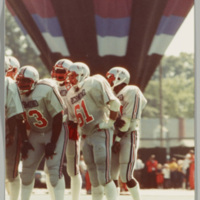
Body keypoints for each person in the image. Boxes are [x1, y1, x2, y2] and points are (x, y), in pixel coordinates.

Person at [66, 62, 121, 200]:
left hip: (99, 131)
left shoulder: (94, 81)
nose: (70, 79)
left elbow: (114, 103)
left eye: (73, 75)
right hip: (86, 134)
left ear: (82, 74)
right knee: (93, 177)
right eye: (69, 76)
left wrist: (110, 123)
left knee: (104, 174)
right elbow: (73, 119)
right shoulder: (70, 93)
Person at [15, 65, 67, 200]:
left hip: (55, 131)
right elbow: (19, 119)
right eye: (20, 80)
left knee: (54, 171)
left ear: (34, 81)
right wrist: (25, 140)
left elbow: (58, 116)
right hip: (35, 133)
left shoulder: (45, 89)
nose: (22, 84)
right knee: (26, 172)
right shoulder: (16, 93)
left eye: (26, 81)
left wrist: (53, 142)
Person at [106, 66, 147, 200]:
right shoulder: (111, 95)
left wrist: (117, 140)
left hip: (128, 135)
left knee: (126, 176)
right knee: (111, 176)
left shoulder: (131, 90)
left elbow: (126, 123)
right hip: (113, 137)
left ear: (120, 78)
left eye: (111, 78)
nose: (109, 81)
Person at [49, 59, 84, 200]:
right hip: (53, 128)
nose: (58, 74)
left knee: (73, 168)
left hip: (71, 126)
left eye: (61, 71)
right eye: (56, 71)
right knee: (50, 167)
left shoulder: (77, 87)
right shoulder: (50, 85)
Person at [5, 58, 27, 200]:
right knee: (10, 172)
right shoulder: (9, 83)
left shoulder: (10, 83)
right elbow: (15, 113)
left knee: (10, 172)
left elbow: (15, 113)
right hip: (8, 127)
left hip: (8, 127)